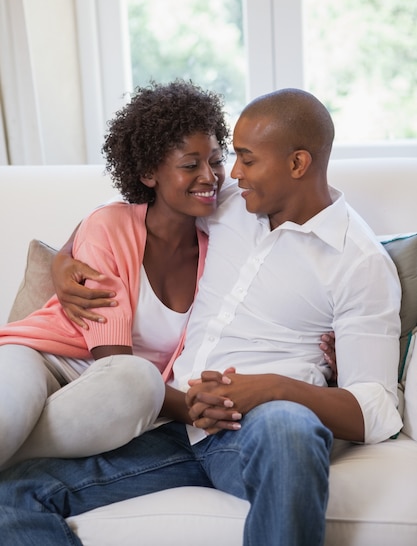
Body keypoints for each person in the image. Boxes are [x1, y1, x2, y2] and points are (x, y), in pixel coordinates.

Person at [0, 88, 402, 546]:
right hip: (176, 426)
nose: (231, 173)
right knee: (14, 492)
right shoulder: (231, 202)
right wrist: (64, 257)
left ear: (297, 164)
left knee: (288, 424)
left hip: (260, 430)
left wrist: (270, 388)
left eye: (247, 160)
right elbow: (132, 211)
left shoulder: (359, 262)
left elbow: (376, 409)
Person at [0, 80, 230, 470]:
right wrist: (198, 407)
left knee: (138, 384)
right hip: (40, 360)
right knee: (133, 377)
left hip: (113, 401)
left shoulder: (224, 245)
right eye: (190, 165)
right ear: (147, 172)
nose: (209, 176)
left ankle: (15, 461)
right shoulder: (110, 226)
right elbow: (113, 358)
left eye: (216, 160)